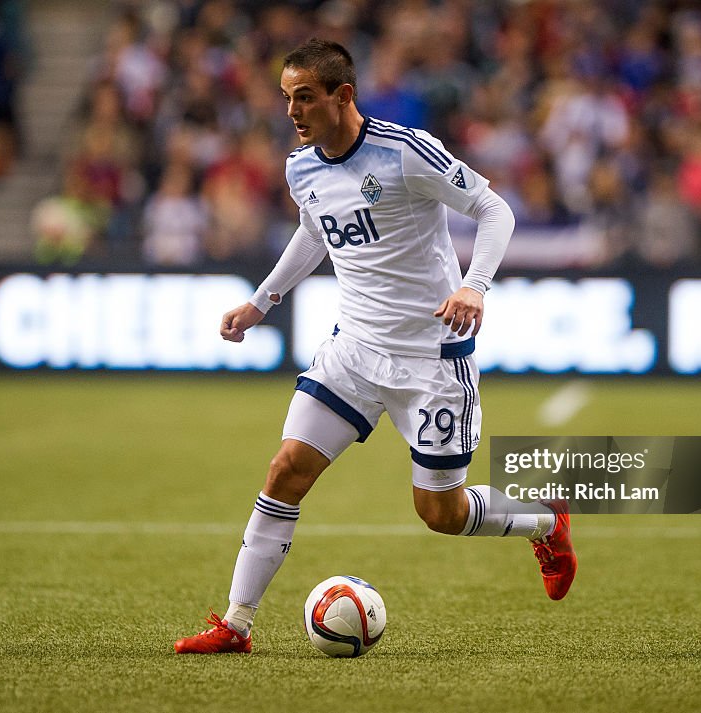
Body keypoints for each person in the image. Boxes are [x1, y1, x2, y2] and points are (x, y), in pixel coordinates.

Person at [173, 39, 577, 655]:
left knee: (438, 513)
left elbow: (495, 211)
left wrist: (474, 286)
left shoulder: (405, 152)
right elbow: (315, 233)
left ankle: (545, 522)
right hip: (353, 352)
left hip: (431, 363)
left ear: (343, 96)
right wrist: (262, 300)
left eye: (304, 97)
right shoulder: (301, 166)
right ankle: (236, 624)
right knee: (285, 471)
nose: (292, 111)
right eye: (286, 98)